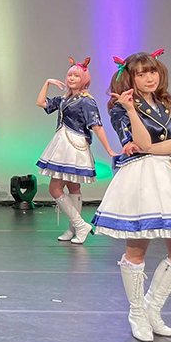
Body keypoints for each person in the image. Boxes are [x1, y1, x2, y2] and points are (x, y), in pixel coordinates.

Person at [92, 50, 171, 342]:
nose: (149, 78)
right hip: (141, 180)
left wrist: (152, 149)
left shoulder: (168, 105)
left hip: (167, 178)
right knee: (137, 250)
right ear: (131, 78)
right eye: (141, 73)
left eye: (152, 71)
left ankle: (151, 308)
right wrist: (132, 112)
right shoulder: (120, 109)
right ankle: (136, 313)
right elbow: (140, 141)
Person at [36, 56, 117, 244]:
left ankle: (80, 226)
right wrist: (47, 82)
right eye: (70, 75)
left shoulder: (87, 101)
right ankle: (74, 228)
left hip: (74, 145)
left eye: (76, 76)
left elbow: (97, 126)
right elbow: (41, 103)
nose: (72, 78)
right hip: (63, 143)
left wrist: (109, 149)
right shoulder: (65, 98)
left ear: (84, 80)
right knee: (73, 186)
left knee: (55, 188)